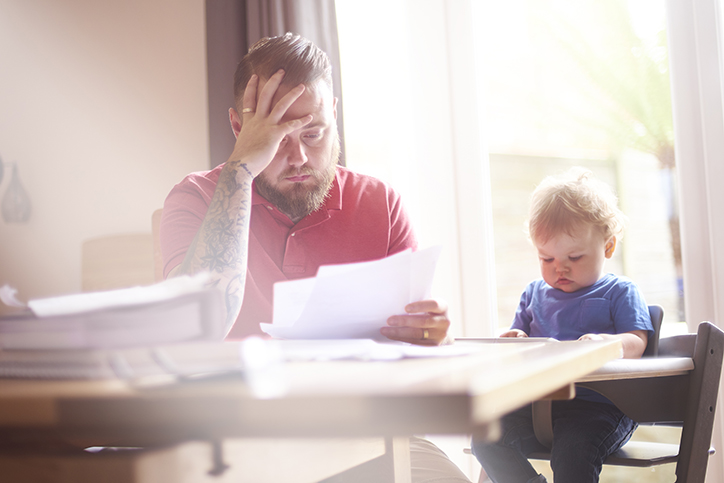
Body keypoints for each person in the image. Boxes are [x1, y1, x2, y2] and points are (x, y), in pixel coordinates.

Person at [160, 33, 470, 482]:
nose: (300, 156)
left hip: (370, 434)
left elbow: (411, 363)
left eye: (314, 133)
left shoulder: (381, 203)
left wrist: (429, 338)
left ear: (335, 114)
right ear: (238, 130)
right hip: (237, 439)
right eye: (277, 137)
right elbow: (197, 326)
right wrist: (240, 172)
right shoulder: (194, 198)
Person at [471, 168, 654, 483]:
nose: (560, 269)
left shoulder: (619, 291)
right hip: (539, 408)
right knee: (485, 437)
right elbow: (520, 344)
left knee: (573, 453)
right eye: (547, 259)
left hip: (601, 408)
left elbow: (638, 341)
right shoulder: (533, 294)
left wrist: (608, 345)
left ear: (608, 247)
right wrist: (515, 338)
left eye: (574, 257)